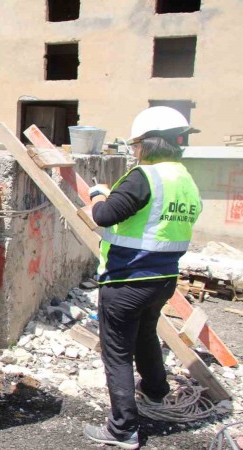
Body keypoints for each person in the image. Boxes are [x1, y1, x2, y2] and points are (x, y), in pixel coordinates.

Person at [83, 106, 202, 450]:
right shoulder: (185, 178)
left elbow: (104, 215)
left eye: (136, 144)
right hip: (163, 278)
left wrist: (98, 193)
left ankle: (122, 430)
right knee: (145, 334)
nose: (134, 150)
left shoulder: (144, 177)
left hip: (127, 279)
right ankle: (155, 391)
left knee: (117, 352)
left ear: (149, 144)